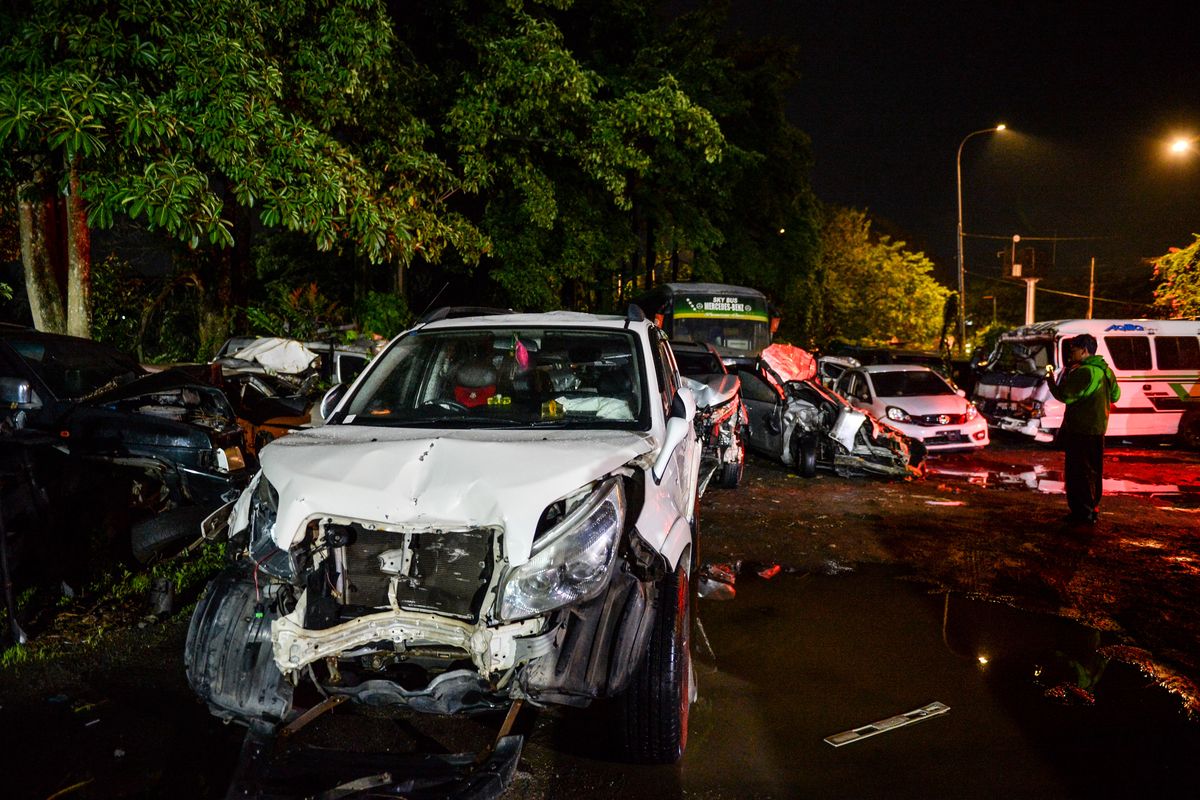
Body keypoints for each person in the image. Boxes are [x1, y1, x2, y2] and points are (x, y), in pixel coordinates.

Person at [1046, 334, 1120, 524]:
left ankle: (1081, 513)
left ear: (1084, 351)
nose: (1071, 355)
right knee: (1094, 471)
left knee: (1078, 472)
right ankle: (1092, 508)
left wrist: (1051, 381)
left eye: (1073, 350)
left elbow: (1066, 396)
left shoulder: (1084, 372)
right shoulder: (1106, 371)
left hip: (1080, 430)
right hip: (1098, 429)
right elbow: (1116, 396)